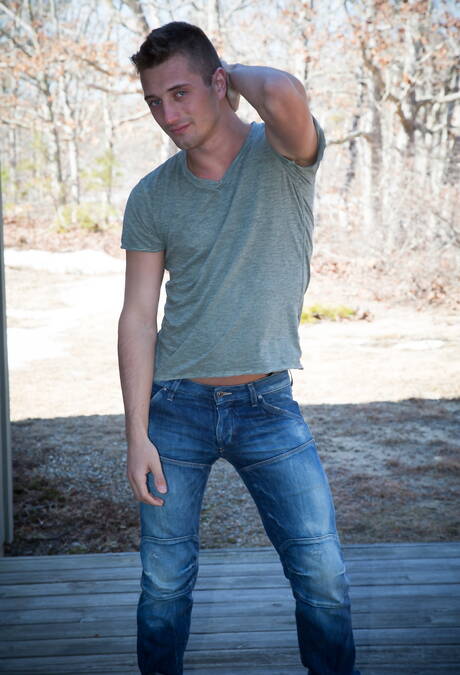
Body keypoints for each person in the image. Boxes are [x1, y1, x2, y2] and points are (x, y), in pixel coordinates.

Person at [118, 20, 360, 675]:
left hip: (268, 403)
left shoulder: (282, 153)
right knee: (163, 586)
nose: (168, 114)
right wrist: (136, 435)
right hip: (176, 407)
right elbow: (137, 316)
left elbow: (280, 92)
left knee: (323, 575)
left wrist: (226, 73)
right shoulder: (152, 195)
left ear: (220, 83)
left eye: (181, 93)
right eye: (154, 101)